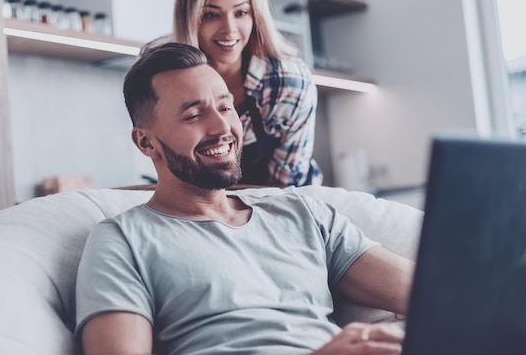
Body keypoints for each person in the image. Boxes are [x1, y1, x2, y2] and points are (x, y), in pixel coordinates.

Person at [75, 42, 415, 355]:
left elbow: (436, 295)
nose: (221, 127)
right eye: (193, 115)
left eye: (225, 107)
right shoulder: (123, 241)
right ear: (146, 143)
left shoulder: (302, 214)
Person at [147, 0, 320, 187]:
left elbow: (286, 185)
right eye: (211, 14)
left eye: (241, 13)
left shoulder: (289, 82)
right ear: (189, 19)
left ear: (255, 16)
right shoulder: (159, 70)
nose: (229, 30)